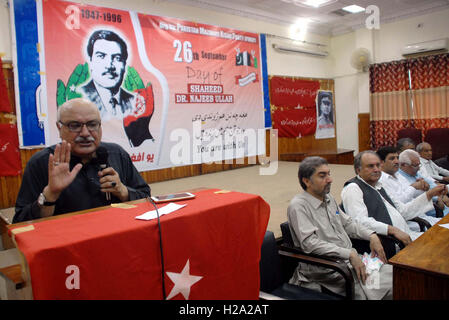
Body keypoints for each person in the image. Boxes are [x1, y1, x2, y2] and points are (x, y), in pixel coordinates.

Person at [13, 98, 151, 223]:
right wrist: (50, 195)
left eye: (92, 124)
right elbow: (20, 223)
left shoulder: (116, 154)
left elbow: (146, 197)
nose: (85, 133)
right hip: (67, 244)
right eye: (75, 125)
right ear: (59, 128)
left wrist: (123, 191)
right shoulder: (42, 163)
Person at [288, 156, 392, 300]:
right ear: (306, 181)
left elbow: (348, 224)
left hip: (350, 262)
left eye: (329, 173)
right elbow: (309, 244)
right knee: (392, 287)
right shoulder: (298, 206)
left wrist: (371, 235)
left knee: (398, 276)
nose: (330, 179)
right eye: (322, 175)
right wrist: (348, 253)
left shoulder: (328, 198)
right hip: (331, 271)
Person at [341, 151, 446, 245]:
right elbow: (360, 222)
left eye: (378, 165)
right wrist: (392, 230)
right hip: (389, 242)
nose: (376, 169)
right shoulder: (353, 188)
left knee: (442, 240)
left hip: (407, 235)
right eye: (371, 166)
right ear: (358, 170)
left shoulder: (379, 186)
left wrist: (429, 194)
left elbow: (403, 211)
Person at [377, 146, 440, 231]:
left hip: (421, 215)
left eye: (397, 158)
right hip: (410, 223)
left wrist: (423, 187)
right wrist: (414, 187)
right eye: (392, 159)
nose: (396, 161)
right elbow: (400, 203)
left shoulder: (398, 175)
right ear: (381, 162)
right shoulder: (381, 181)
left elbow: (413, 196)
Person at [80, 30, 134, 120]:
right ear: (90, 61)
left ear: (124, 65)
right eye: (101, 56)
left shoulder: (133, 101)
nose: (109, 66)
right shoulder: (80, 96)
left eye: (117, 58)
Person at [397, 149, 449, 217]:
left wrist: (441, 194)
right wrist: (436, 198)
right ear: (403, 165)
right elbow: (415, 196)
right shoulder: (400, 178)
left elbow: (432, 184)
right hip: (426, 213)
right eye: (415, 165)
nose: (418, 168)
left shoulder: (415, 173)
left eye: (419, 165)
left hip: (438, 208)